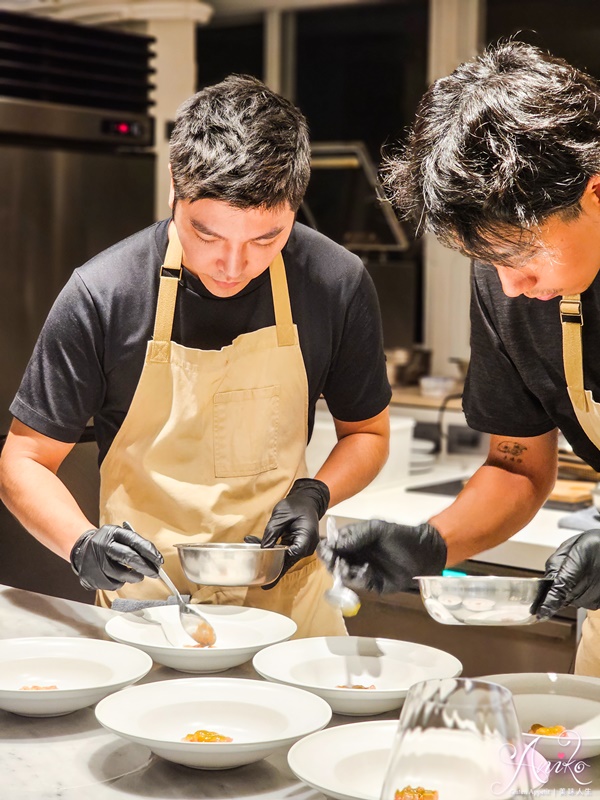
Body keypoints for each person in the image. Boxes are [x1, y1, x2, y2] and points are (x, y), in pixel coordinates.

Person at [0, 75, 391, 639]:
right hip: (151, 610)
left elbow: (368, 434)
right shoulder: (104, 294)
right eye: (207, 235)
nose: (233, 266)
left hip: (288, 608)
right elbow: (25, 460)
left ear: (294, 206)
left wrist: (316, 493)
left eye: (265, 239)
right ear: (174, 193)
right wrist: (80, 542)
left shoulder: (335, 282)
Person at [319, 40, 600, 674]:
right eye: (489, 262)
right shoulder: (507, 289)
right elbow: (520, 466)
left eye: (524, 254)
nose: (510, 287)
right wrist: (434, 541)